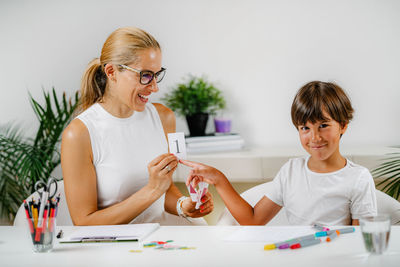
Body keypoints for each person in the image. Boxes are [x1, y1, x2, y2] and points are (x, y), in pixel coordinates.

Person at [61, 27, 213, 225]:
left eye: (157, 75)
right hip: (119, 247)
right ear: (111, 72)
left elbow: (165, 190)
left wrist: (184, 205)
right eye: (145, 75)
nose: (155, 87)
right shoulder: (80, 134)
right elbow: (84, 222)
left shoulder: (163, 117)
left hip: (166, 236)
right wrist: (151, 190)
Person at [181, 81, 377, 226]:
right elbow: (253, 221)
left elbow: (361, 244)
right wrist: (218, 179)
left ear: (343, 125)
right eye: (305, 128)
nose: (315, 137)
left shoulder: (358, 178)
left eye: (323, 125)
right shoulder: (290, 171)